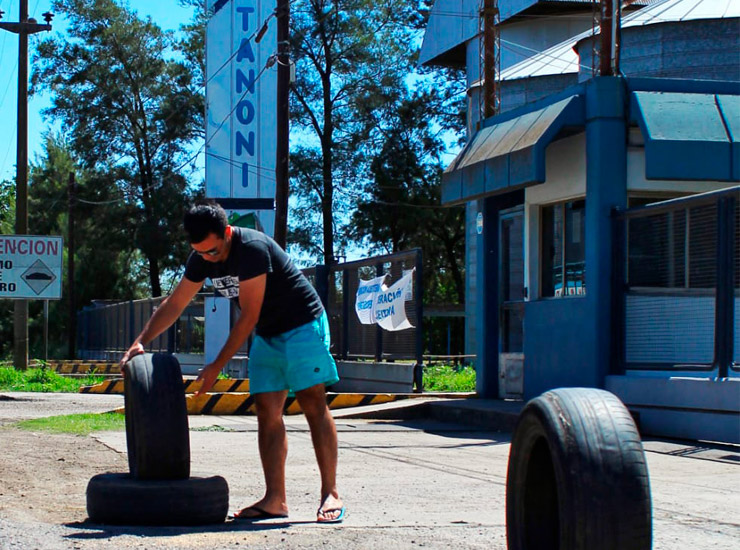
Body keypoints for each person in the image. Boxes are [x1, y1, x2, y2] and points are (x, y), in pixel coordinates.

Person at [119, 201, 345, 523]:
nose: (207, 258)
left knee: (312, 402)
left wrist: (215, 366)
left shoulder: (251, 248)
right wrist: (140, 341)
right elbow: (175, 303)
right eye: (200, 252)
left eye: (212, 251)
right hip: (269, 333)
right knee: (267, 411)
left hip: (301, 325)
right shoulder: (201, 257)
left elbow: (248, 315)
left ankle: (330, 493)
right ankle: (275, 500)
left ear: (226, 232)